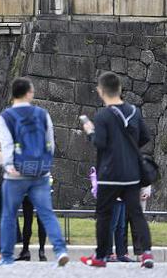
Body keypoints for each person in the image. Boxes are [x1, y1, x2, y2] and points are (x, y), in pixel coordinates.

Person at [80, 71, 155, 269]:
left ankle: (101, 256)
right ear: (120, 90)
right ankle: (146, 253)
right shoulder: (134, 111)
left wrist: (90, 131)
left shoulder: (103, 115)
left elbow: (100, 142)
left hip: (109, 174)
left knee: (104, 215)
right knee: (136, 214)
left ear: (100, 91)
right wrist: (128, 148)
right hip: (131, 174)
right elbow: (145, 137)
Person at [0, 77, 69, 267]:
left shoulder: (6, 116)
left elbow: (7, 143)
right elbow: (49, 141)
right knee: (46, 213)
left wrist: (9, 166)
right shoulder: (42, 114)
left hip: (16, 173)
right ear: (28, 93)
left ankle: (7, 255)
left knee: (9, 214)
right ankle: (59, 250)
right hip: (40, 172)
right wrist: (46, 163)